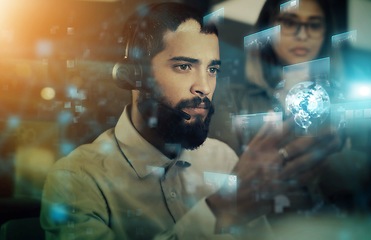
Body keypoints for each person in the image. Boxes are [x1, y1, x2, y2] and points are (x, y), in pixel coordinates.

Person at [40, 2, 340, 240]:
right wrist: (220, 210)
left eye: (212, 70)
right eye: (184, 66)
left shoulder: (223, 159)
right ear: (134, 75)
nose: (205, 87)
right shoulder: (76, 181)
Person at [209, 0, 371, 214]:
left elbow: (364, 175)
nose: (302, 35)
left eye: (313, 25)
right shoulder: (230, 97)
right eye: (288, 22)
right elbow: (221, 175)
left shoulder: (347, 99)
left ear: (325, 33)